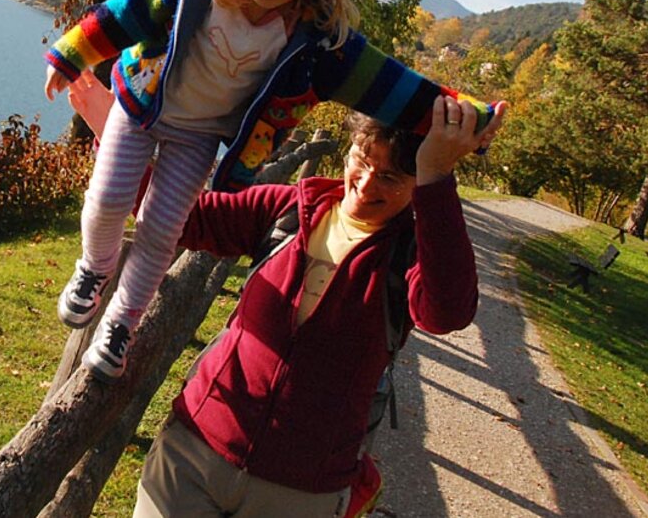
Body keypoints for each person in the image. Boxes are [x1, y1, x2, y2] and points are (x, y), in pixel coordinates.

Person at [44, 0, 495, 381]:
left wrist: (467, 115)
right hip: (140, 109)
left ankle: (122, 320)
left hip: (198, 137)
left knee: (163, 231)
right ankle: (95, 267)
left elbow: (390, 86)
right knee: (106, 200)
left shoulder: (320, 45)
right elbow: (127, 14)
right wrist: (73, 51)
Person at [132, 98, 504, 517]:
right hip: (191, 460)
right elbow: (183, 217)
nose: (365, 185)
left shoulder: (411, 254)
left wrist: (438, 178)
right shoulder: (286, 211)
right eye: (361, 160)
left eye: (391, 177)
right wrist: (118, 131)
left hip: (301, 495)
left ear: (417, 184)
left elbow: (447, 313)